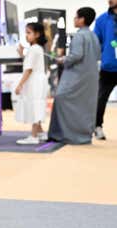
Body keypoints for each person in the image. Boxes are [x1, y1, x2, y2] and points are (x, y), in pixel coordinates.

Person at [48, 8, 101, 144]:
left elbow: (76, 56)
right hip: (90, 77)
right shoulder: (93, 36)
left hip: (76, 77)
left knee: (61, 98)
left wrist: (62, 59)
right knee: (84, 107)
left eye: (76, 17)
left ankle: (65, 134)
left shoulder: (79, 36)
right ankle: (82, 135)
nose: (74, 19)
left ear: (82, 19)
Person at [14, 23, 49, 145]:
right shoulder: (36, 48)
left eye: (29, 33)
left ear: (37, 34)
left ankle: (33, 136)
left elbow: (28, 69)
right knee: (37, 104)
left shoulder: (34, 49)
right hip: (38, 81)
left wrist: (20, 85)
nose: (26, 35)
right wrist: (22, 53)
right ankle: (40, 132)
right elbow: (29, 64)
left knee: (34, 106)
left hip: (35, 82)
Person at [94, 0, 117, 140]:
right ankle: (97, 127)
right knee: (101, 98)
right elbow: (96, 41)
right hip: (108, 67)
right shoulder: (102, 19)